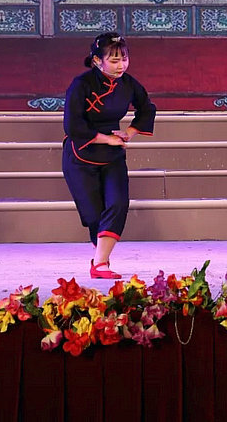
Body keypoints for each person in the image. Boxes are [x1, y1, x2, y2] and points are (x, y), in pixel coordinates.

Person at [62, 32, 156, 279]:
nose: (121, 65)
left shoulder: (129, 84)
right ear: (97, 61)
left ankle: (100, 264)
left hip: (113, 154)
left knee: (117, 203)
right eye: (114, 60)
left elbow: (147, 108)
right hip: (81, 153)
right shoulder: (81, 84)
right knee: (94, 214)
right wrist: (106, 138)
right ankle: (100, 259)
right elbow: (72, 126)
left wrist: (129, 133)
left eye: (124, 59)